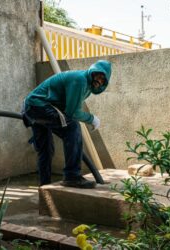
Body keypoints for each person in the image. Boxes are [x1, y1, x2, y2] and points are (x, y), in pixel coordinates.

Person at [22, 60, 111, 188]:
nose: (99, 79)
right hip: (39, 106)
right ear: (92, 71)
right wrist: (92, 119)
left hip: (33, 106)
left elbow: (67, 107)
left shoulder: (86, 85)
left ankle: (45, 186)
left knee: (46, 149)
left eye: (103, 79)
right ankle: (72, 176)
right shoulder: (81, 80)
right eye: (98, 74)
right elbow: (73, 113)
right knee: (72, 127)